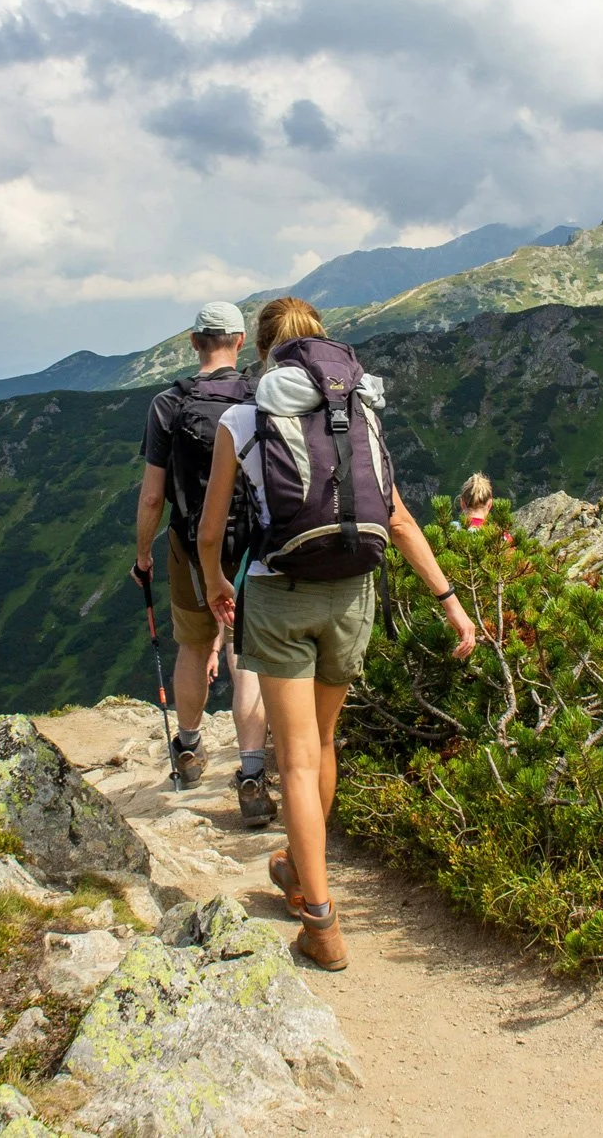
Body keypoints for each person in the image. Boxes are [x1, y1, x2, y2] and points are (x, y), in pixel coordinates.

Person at [198, 297, 477, 971]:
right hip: (354, 592)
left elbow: (210, 530)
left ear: (264, 351)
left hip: (280, 590)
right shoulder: (359, 410)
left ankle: (319, 921)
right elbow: (400, 518)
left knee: (292, 759)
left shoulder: (243, 417)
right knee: (322, 745)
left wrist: (214, 580)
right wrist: (451, 604)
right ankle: (298, 868)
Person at [132, 301, 274, 827]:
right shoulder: (260, 397)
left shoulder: (168, 405)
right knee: (247, 657)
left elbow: (152, 498)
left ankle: (189, 748)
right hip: (255, 547)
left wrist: (144, 555)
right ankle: (254, 773)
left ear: (194, 343)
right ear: (240, 342)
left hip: (190, 544)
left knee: (193, 646)